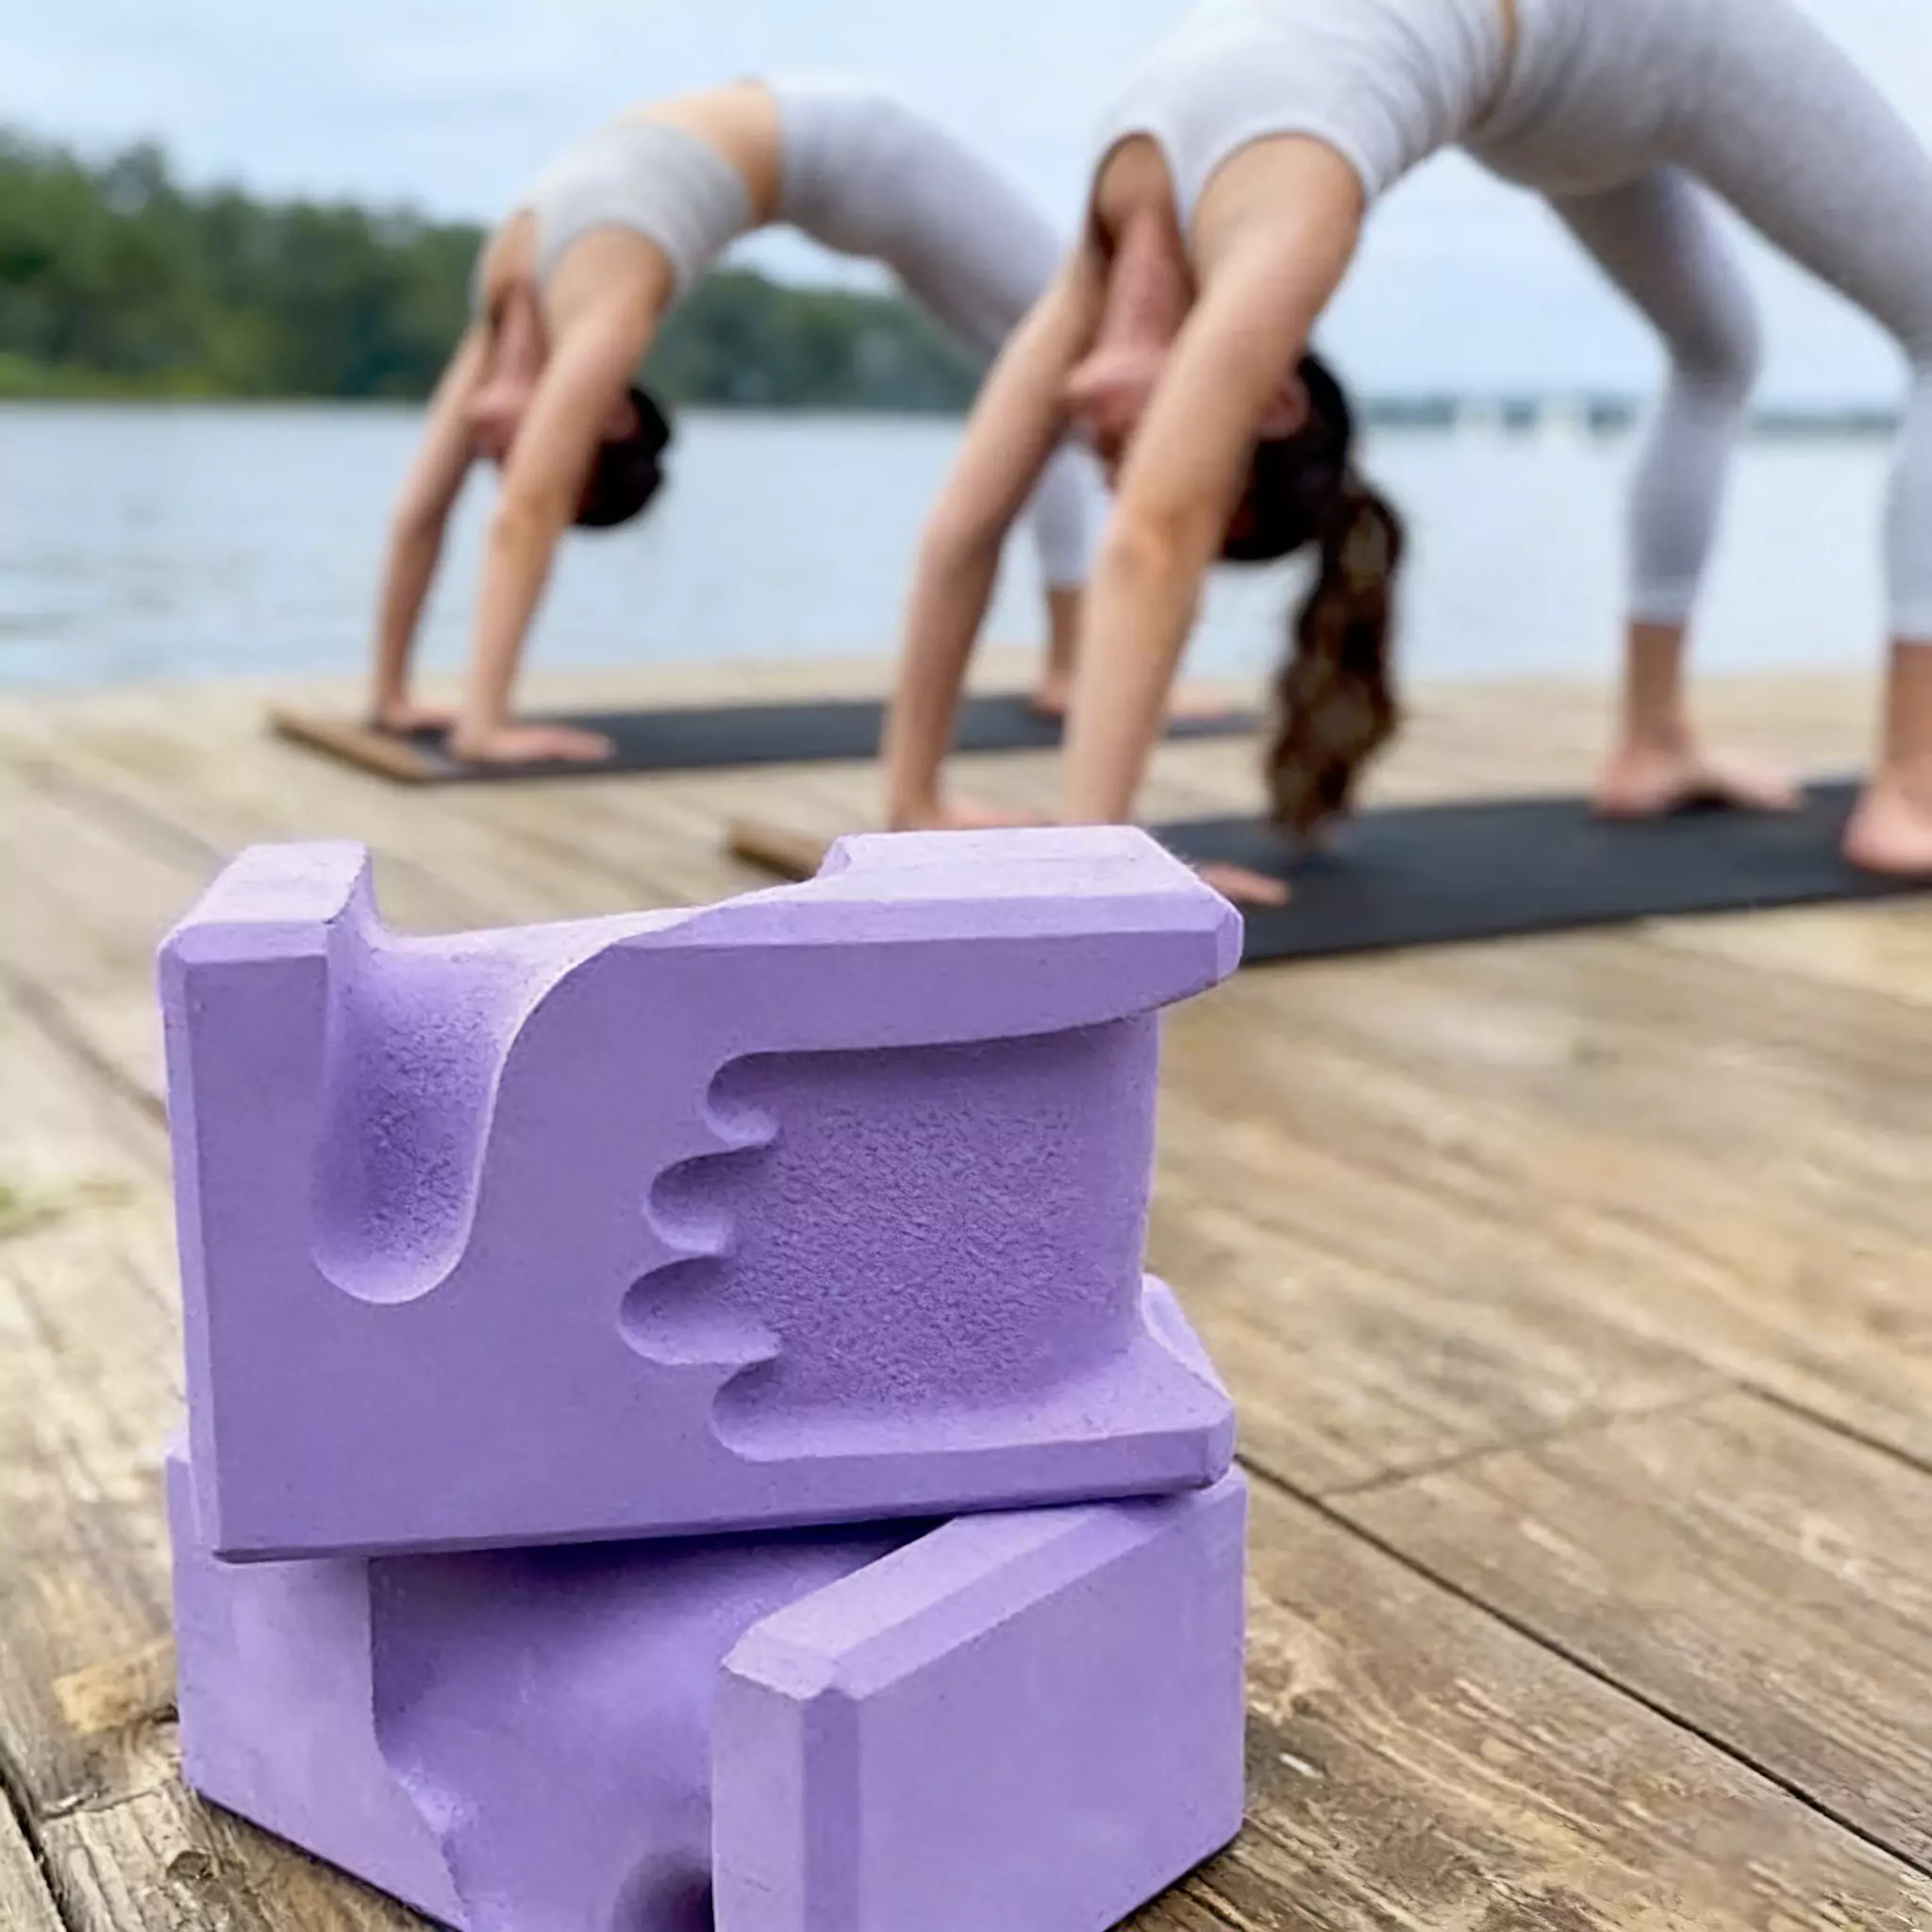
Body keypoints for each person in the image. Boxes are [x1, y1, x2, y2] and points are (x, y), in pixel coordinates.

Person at [883, 0, 1932, 888]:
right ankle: (1907, 793)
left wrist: (979, 827)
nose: (1117, 476)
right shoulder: (1287, 206)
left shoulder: (1110, 238)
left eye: (1125, 469)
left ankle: (1658, 740)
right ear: (1269, 402)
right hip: (1611, 51)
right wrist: (1063, 865)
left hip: (1575, 68)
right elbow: (1114, 537)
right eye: (1133, 466)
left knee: (1714, 350)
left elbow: (981, 530)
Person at [369, 76, 1108, 764]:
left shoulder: (602, 301)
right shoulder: (527, 303)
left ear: (614, 416)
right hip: (819, 168)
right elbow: (422, 510)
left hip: (872, 151)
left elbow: (525, 513)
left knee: (1075, 356)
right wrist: (390, 696)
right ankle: (1069, 667)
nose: (507, 467)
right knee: (1040, 376)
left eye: (519, 461)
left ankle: (1074, 664)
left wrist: (484, 723)